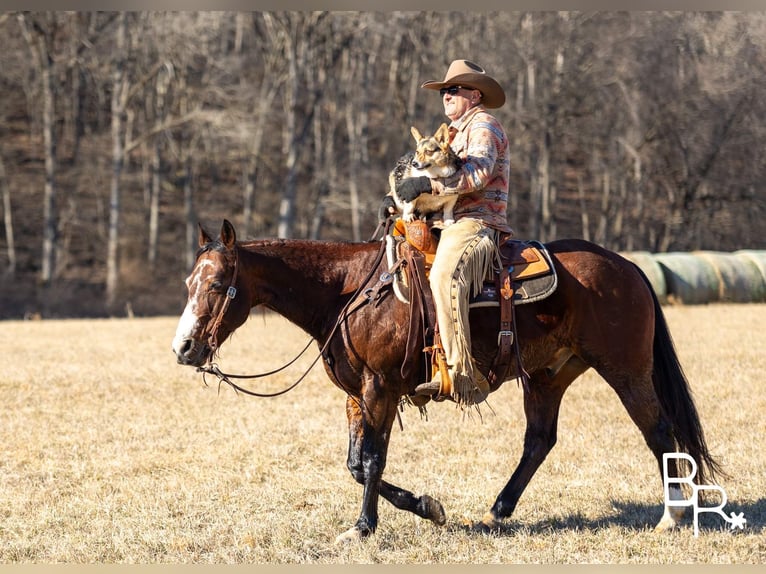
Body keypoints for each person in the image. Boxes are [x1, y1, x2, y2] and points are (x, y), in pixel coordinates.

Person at [387, 59, 512, 407]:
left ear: (474, 94)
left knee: (443, 276)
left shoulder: (483, 125)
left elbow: (479, 174)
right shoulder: (453, 133)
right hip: (444, 218)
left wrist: (426, 182)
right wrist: (400, 198)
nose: (446, 95)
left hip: (476, 220)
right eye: (443, 91)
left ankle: (460, 375)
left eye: (453, 90)